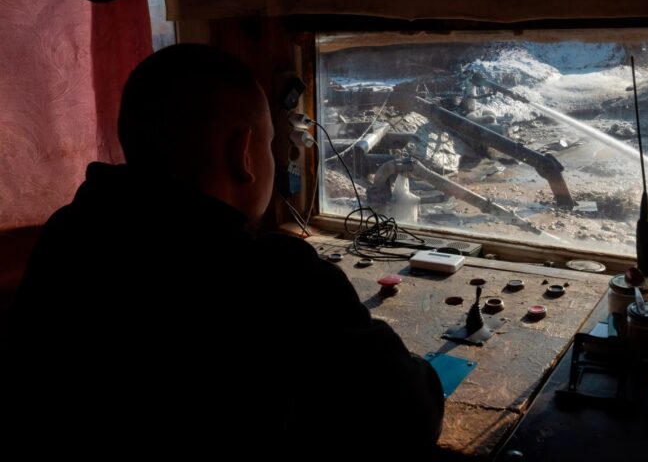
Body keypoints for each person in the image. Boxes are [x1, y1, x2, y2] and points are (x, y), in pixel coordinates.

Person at [9, 44, 443, 458]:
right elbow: (409, 418)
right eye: (272, 146)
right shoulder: (278, 277)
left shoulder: (68, 234)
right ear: (243, 155)